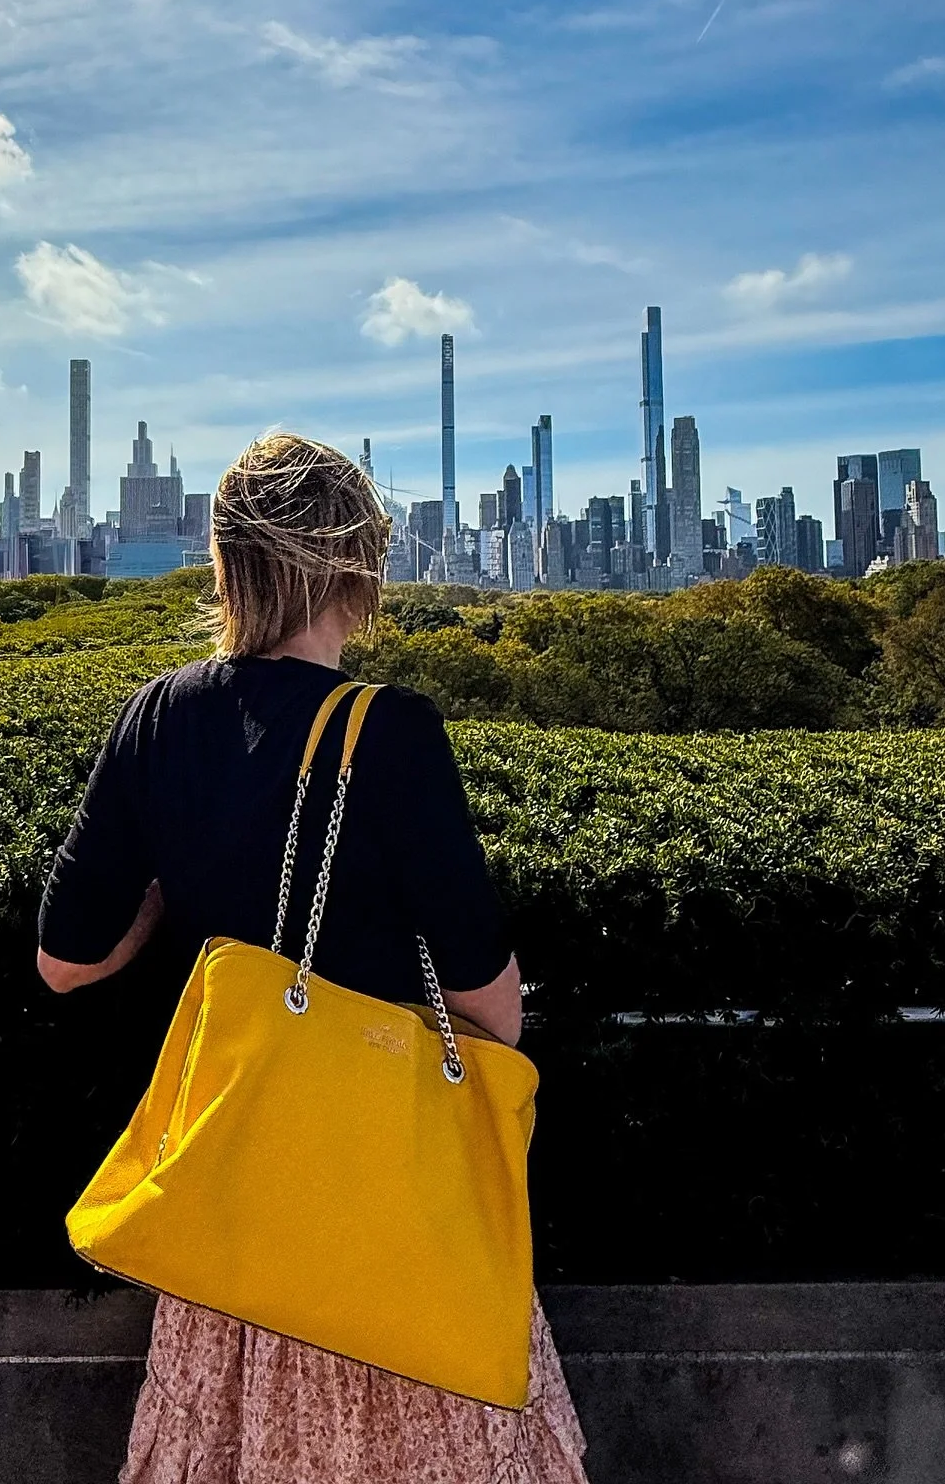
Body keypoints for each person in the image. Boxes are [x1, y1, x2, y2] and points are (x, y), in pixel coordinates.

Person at [38, 432, 589, 1484]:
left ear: (225, 564)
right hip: (385, 1224)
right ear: (354, 566)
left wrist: (180, 888)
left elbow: (66, 962)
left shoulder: (156, 717)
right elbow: (493, 1010)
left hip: (229, 1216)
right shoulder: (393, 733)